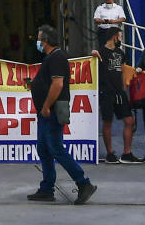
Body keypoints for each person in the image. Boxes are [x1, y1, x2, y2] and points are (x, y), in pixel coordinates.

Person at [28, 25, 96, 204]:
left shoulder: (57, 57)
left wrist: (46, 106)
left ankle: (83, 183)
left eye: (39, 38)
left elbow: (57, 84)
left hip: (52, 111)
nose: (38, 42)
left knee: (56, 149)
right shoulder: (51, 58)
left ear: (46, 41)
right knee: (44, 149)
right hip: (46, 112)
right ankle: (46, 188)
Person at [91, 27, 137, 163]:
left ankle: (127, 153)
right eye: (120, 36)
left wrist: (124, 90)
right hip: (106, 92)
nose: (121, 39)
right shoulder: (101, 52)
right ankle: (110, 153)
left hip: (119, 92)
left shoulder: (121, 53)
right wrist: (93, 53)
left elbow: (123, 71)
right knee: (107, 122)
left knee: (129, 121)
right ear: (114, 37)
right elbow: (91, 60)